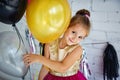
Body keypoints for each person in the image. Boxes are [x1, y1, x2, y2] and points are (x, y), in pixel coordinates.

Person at [23, 9, 91, 80]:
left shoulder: (77, 49)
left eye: (80, 37)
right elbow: (46, 66)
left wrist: (39, 58)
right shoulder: (50, 43)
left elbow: (63, 68)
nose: (75, 38)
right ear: (66, 27)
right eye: (73, 32)